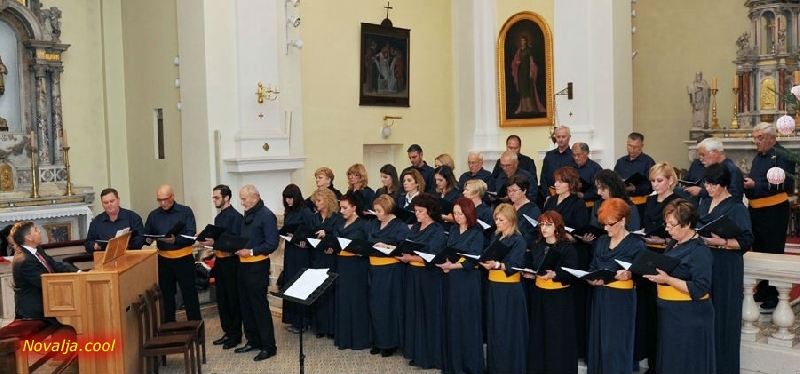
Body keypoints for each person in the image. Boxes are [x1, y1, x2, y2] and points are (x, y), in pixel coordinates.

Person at [642, 199, 714, 374]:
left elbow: (699, 288)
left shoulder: (700, 251)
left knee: (685, 364)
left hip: (689, 317)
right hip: (671, 316)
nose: (667, 229)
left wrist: (667, 279)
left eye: (672, 225)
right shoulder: (675, 243)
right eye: (666, 224)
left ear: (687, 224)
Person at [697, 163, 753, 374]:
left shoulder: (736, 207)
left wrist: (721, 242)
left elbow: (746, 241)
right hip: (706, 263)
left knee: (724, 319)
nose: (709, 188)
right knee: (706, 316)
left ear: (724, 184)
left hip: (727, 266)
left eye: (713, 185)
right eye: (706, 184)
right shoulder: (703, 203)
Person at [586, 198, 643, 374]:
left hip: (621, 301)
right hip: (601, 297)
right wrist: (590, 279)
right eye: (604, 224)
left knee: (616, 345)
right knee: (599, 343)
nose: (606, 228)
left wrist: (631, 274)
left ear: (623, 220)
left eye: (610, 224)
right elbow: (592, 268)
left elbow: (645, 275)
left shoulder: (636, 244)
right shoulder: (602, 242)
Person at [390, 193, 446, 369]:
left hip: (429, 277)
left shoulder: (437, 230)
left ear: (430, 211)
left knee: (428, 315)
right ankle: (416, 352)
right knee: (414, 313)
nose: (417, 214)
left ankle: (431, 355)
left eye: (420, 211)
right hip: (413, 275)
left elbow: (433, 256)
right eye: (415, 211)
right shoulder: (414, 228)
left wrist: (410, 258)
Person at [744, 122, 795, 308]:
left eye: (760, 138)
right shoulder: (759, 158)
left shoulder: (782, 156)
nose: (756, 141)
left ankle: (773, 295)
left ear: (772, 138)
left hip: (773, 211)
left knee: (772, 252)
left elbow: (784, 183)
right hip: (756, 210)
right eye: (755, 137)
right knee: (758, 251)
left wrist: (755, 185)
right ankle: (763, 290)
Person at [523, 211, 579, 374]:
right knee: (539, 336)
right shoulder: (537, 244)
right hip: (540, 294)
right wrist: (530, 273)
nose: (544, 228)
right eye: (541, 224)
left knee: (557, 337)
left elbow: (573, 272)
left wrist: (555, 274)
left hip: (559, 298)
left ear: (557, 227)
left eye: (548, 224)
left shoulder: (567, 248)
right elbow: (536, 267)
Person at [435, 198, 485, 374]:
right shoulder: (454, 230)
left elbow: (472, 259)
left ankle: (469, 365)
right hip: (451, 280)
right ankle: (453, 364)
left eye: (460, 213)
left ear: (468, 213)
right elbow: (449, 250)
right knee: (453, 320)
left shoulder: (476, 232)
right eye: (454, 213)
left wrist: (452, 266)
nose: (456, 216)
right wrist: (445, 263)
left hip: (467, 281)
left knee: (466, 320)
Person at [480, 204, 528, 374]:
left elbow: (516, 265)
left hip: (509, 289)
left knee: (508, 328)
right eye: (496, 219)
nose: (497, 222)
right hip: (494, 286)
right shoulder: (496, 238)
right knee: (495, 328)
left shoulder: (518, 240)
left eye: (501, 220)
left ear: (511, 220)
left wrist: (497, 264)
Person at [232, 184, 279, 361]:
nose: (242, 203)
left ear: (254, 197)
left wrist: (250, 251)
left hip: (257, 266)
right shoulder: (249, 214)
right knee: (245, 304)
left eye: (244, 199)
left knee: (259, 307)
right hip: (242, 265)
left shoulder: (266, 215)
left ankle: (269, 346)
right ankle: (253, 340)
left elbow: (272, 243)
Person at [144, 184, 201, 322]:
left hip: (184, 258)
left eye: (165, 199)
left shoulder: (185, 211)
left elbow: (190, 235)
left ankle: (195, 328)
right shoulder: (153, 215)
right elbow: (146, 234)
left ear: (173, 196)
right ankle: (169, 327)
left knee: (190, 296)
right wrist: (148, 238)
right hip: (164, 260)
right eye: (159, 200)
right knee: (167, 297)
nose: (163, 203)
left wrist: (176, 240)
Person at [200, 184, 244, 349]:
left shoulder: (236, 217)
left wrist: (215, 242)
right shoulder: (219, 217)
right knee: (222, 299)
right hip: (220, 261)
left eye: (217, 197)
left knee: (233, 299)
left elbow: (233, 241)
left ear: (226, 197)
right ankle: (227, 331)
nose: (215, 200)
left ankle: (235, 334)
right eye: (214, 197)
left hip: (231, 262)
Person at [367, 195, 410, 358]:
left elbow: (404, 247)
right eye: (375, 210)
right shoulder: (374, 223)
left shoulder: (400, 226)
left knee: (388, 305)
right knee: (375, 305)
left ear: (388, 209)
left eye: (379, 211)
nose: (376, 214)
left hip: (391, 270)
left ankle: (390, 343)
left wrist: (386, 245)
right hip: (374, 269)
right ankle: (378, 340)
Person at [11, 221, 77, 324]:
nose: (40, 232)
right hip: (36, 310)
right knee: (71, 319)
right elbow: (46, 283)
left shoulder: (37, 249)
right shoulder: (24, 261)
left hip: (49, 302)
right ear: (29, 237)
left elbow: (54, 265)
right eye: (36, 230)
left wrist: (78, 273)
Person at [333, 193, 371, 350]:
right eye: (340, 207)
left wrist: (361, 250)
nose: (342, 211)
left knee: (356, 301)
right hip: (341, 264)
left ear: (354, 208)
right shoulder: (339, 223)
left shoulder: (363, 224)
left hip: (357, 266)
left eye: (345, 208)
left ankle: (358, 339)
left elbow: (369, 244)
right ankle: (344, 338)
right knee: (343, 300)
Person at [279, 184, 315, 334]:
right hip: (291, 250)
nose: (288, 201)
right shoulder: (289, 212)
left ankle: (302, 321)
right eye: (286, 198)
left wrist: (303, 240)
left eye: (290, 197)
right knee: (290, 281)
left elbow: (311, 231)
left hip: (301, 251)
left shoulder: (306, 212)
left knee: (300, 282)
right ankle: (293, 319)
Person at [309, 188, 343, 339]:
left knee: (329, 290)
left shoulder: (336, 218)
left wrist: (327, 235)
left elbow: (338, 236)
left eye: (319, 200)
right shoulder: (314, 218)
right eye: (315, 201)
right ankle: (320, 327)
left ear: (328, 201)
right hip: (317, 256)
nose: (316, 204)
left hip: (330, 257)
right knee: (318, 290)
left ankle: (331, 327)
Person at [682, 137, 745, 203]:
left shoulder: (732, 170)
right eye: (699, 155)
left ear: (715, 153)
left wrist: (701, 192)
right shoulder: (710, 168)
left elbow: (734, 197)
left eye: (703, 155)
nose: (701, 159)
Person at [84, 188, 145, 252]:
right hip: (105, 257)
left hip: (128, 256)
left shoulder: (133, 217)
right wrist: (94, 245)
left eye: (112, 201)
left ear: (118, 200)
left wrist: (127, 244)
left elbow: (141, 239)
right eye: (106, 202)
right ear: (102, 204)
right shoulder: (96, 222)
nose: (109, 205)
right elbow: (88, 243)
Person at [614, 132, 656, 215]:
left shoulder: (648, 162)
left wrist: (635, 188)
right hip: (621, 201)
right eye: (629, 146)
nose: (632, 149)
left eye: (635, 147)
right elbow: (613, 179)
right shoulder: (621, 162)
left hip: (640, 203)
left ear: (642, 146)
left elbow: (652, 185)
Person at [542, 166, 589, 231]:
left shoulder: (578, 203)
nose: (556, 184)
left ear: (570, 184)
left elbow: (581, 228)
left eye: (560, 182)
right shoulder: (551, 200)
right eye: (556, 181)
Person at [511, 35, 546, 114]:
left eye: (523, 40)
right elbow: (517, 60)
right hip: (521, 72)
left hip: (526, 71)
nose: (522, 42)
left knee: (527, 89)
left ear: (526, 41)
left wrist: (531, 71)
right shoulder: (519, 50)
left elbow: (531, 61)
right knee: (522, 89)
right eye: (521, 41)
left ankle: (530, 108)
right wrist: (517, 63)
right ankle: (524, 108)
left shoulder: (528, 50)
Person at [505, 174, 542, 250]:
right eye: (509, 191)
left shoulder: (533, 210)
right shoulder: (507, 207)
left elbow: (532, 235)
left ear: (524, 190)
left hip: (520, 249)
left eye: (514, 190)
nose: (511, 194)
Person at [540, 126, 577, 200]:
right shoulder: (549, 155)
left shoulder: (574, 157)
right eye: (558, 137)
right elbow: (543, 177)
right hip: (550, 194)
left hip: (568, 196)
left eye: (563, 137)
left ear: (569, 137)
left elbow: (575, 179)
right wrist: (547, 195)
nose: (560, 139)